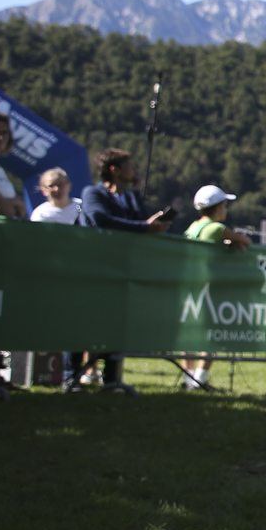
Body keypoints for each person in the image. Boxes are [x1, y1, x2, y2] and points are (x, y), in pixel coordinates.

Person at [72, 148, 171, 394]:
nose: (134, 170)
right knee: (84, 321)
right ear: (114, 170)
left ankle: (112, 378)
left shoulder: (128, 197)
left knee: (116, 322)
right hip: (94, 267)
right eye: (129, 166)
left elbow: (141, 218)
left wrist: (137, 195)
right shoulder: (93, 193)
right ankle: (71, 375)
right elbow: (100, 219)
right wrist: (143, 227)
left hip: (121, 269)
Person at [179, 184, 249, 388]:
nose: (226, 209)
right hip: (207, 287)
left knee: (188, 333)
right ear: (218, 207)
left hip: (188, 286)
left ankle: (188, 377)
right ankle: (200, 378)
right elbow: (245, 240)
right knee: (211, 331)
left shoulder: (193, 227)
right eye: (225, 205)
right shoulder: (217, 228)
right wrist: (231, 242)